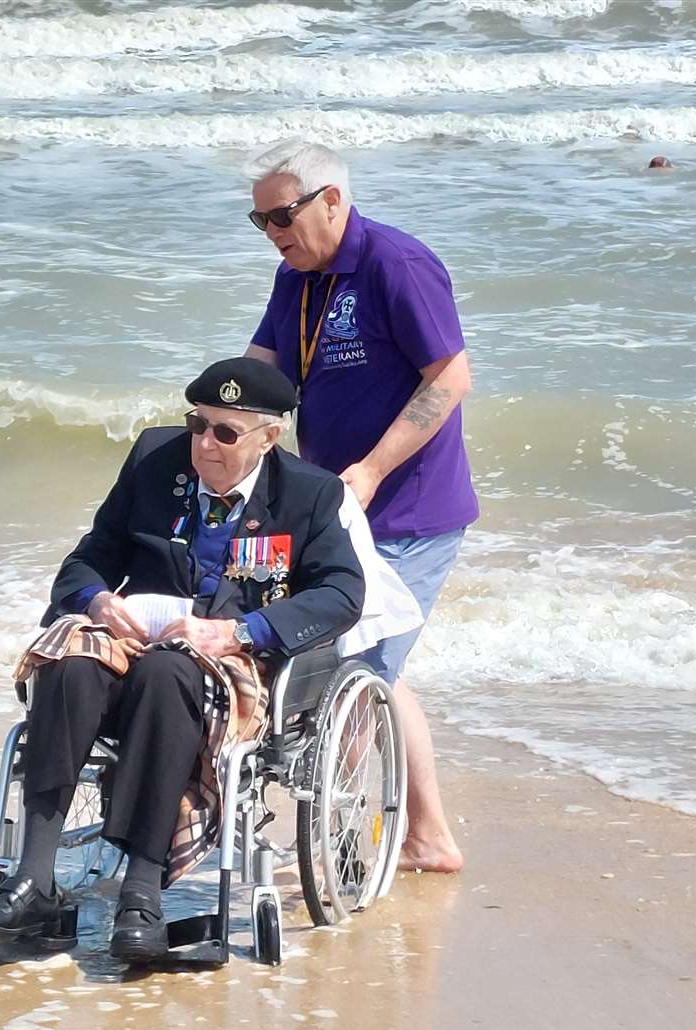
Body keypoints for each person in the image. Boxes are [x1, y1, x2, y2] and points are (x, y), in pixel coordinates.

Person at [0, 357, 365, 963]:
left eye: (224, 432)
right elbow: (86, 561)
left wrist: (238, 631)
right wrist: (95, 599)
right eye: (197, 424)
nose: (203, 443)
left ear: (267, 436)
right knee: (69, 660)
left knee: (168, 671)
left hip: (226, 662)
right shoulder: (155, 461)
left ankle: (141, 895)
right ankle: (34, 881)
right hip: (135, 644)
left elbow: (340, 594)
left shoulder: (309, 495)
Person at [240, 138, 475, 873]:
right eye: (260, 222)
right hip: (336, 507)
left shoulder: (394, 264)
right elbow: (262, 373)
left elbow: (451, 376)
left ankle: (329, 835)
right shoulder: (296, 278)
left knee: (357, 664)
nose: (274, 233)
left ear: (331, 200)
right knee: (377, 669)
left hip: (409, 509)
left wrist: (371, 471)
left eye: (283, 215)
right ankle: (428, 836)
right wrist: (217, 434)